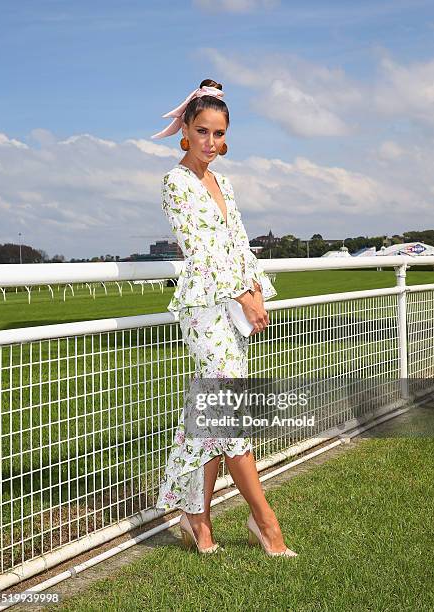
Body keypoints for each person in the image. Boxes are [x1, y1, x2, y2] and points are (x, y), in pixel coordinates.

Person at [151, 79, 297, 557]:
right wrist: (241, 292)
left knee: (213, 416)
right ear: (185, 134)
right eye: (202, 131)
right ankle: (266, 524)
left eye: (219, 134)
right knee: (230, 414)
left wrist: (254, 291)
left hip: (232, 308)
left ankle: (199, 518)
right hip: (204, 310)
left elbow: (237, 243)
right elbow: (202, 249)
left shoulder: (224, 183)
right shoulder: (176, 183)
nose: (210, 142)